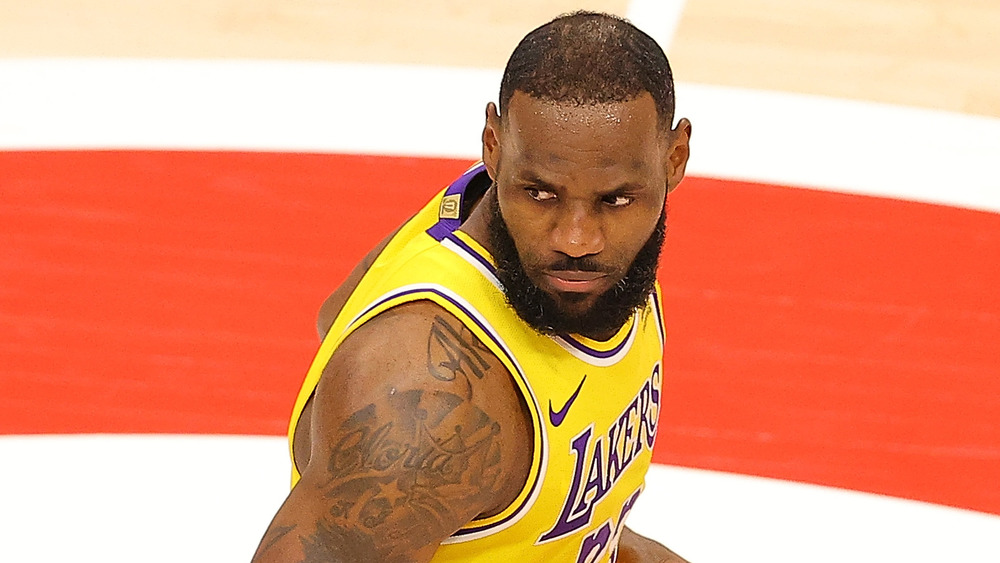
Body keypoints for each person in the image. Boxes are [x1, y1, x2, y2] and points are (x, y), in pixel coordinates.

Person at [252, 10, 692, 563]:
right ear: (494, 145)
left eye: (616, 199)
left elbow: (335, 314)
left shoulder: (497, 201)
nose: (576, 239)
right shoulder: (430, 410)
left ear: (673, 159)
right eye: (540, 194)